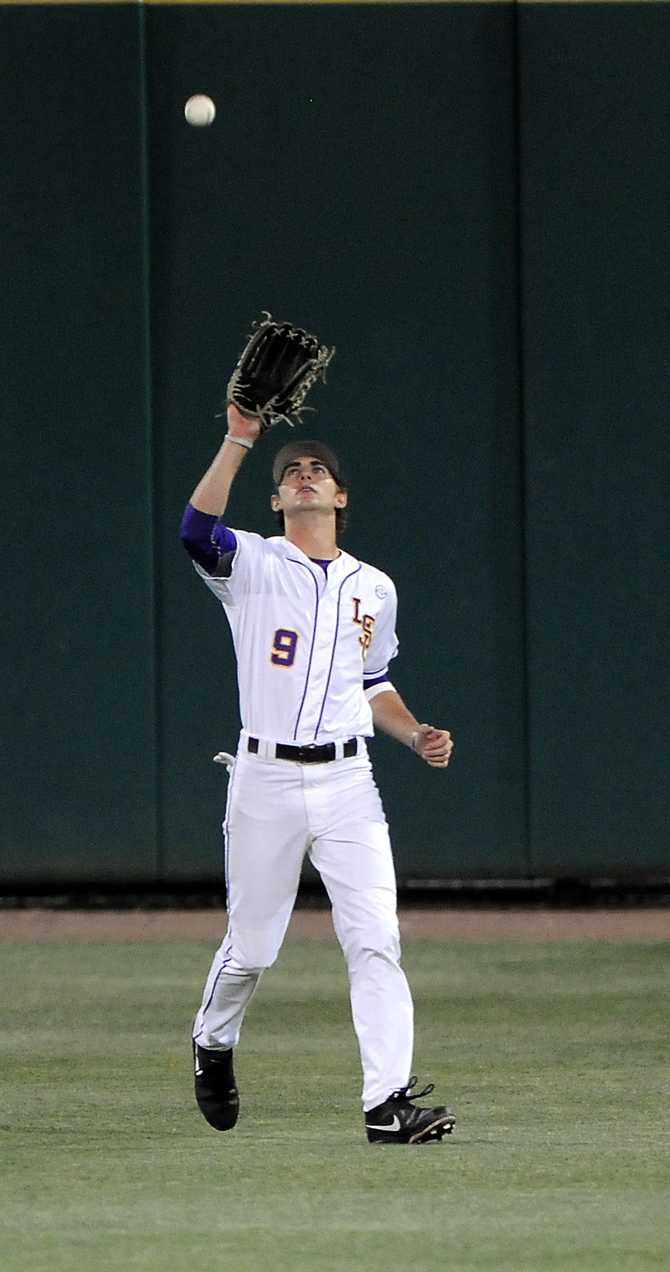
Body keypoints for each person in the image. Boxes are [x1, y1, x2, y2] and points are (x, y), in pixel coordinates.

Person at [180, 403, 456, 1145]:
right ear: (276, 500)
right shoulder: (253, 562)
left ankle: (387, 1107)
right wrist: (241, 439)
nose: (304, 476)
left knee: (375, 940)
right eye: (291, 472)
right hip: (266, 778)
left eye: (318, 471)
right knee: (253, 949)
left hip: (346, 784)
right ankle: (213, 1040)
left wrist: (412, 732)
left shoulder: (375, 587)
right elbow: (194, 531)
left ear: (340, 497)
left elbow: (373, 683)